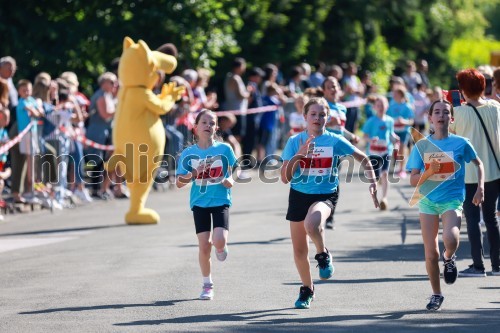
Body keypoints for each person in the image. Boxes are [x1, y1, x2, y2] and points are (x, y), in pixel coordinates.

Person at [281, 97, 379, 309]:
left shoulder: (334, 140)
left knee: (312, 223)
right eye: (313, 114)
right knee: (298, 252)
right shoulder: (294, 142)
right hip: (298, 195)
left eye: (322, 114)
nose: (317, 118)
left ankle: (322, 253)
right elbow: (284, 177)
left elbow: (363, 157)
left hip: (325, 194)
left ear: (328, 117)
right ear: (305, 117)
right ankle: (307, 289)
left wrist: (372, 182)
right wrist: (299, 156)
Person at [406, 99, 484, 311]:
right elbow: (413, 180)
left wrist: (480, 187)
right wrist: (429, 173)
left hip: (452, 200)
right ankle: (436, 294)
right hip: (428, 202)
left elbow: (479, 164)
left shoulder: (461, 143)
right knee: (431, 253)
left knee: (450, 237)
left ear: (451, 118)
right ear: (430, 118)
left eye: (445, 112)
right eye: (437, 112)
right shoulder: (421, 146)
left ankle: (449, 257)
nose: (441, 116)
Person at [176, 109, 239, 300]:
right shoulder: (189, 153)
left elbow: (236, 169)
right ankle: (207, 285)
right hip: (199, 203)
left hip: (220, 200)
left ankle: (221, 247)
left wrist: (231, 179)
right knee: (204, 246)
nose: (208, 126)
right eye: (204, 122)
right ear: (195, 127)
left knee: (218, 240)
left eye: (212, 123)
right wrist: (194, 174)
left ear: (216, 128)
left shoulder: (224, 149)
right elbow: (179, 182)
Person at [450, 68, 500, 277]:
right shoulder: (496, 108)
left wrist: (453, 105)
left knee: (472, 220)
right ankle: (497, 265)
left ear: (462, 90)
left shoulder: (459, 113)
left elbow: (451, 135)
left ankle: (478, 265)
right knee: (491, 219)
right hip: (494, 171)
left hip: (470, 175)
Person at [362, 95, 399, 210]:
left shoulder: (390, 120)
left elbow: (390, 134)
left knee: (385, 174)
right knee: (376, 177)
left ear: (387, 107)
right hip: (373, 152)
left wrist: (395, 138)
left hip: (386, 151)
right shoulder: (371, 121)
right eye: (378, 105)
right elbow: (365, 136)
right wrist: (371, 140)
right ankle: (377, 193)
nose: (381, 107)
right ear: (375, 107)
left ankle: (384, 198)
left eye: (383, 105)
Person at [15, 79, 44, 202]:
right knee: (29, 160)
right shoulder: (22, 102)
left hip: (33, 132)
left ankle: (32, 188)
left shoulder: (31, 100)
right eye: (23, 90)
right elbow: (35, 112)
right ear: (19, 92)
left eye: (28, 90)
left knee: (33, 159)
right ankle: (29, 189)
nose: (26, 92)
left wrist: (36, 110)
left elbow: (40, 112)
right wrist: (36, 110)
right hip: (26, 134)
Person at [387, 86, 414, 178]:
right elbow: (386, 117)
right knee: (394, 149)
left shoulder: (407, 106)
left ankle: (401, 170)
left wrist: (403, 121)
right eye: (393, 93)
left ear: (401, 95)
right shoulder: (391, 105)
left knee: (402, 149)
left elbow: (411, 121)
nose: (393, 95)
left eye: (396, 94)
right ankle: (392, 165)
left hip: (404, 131)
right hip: (393, 131)